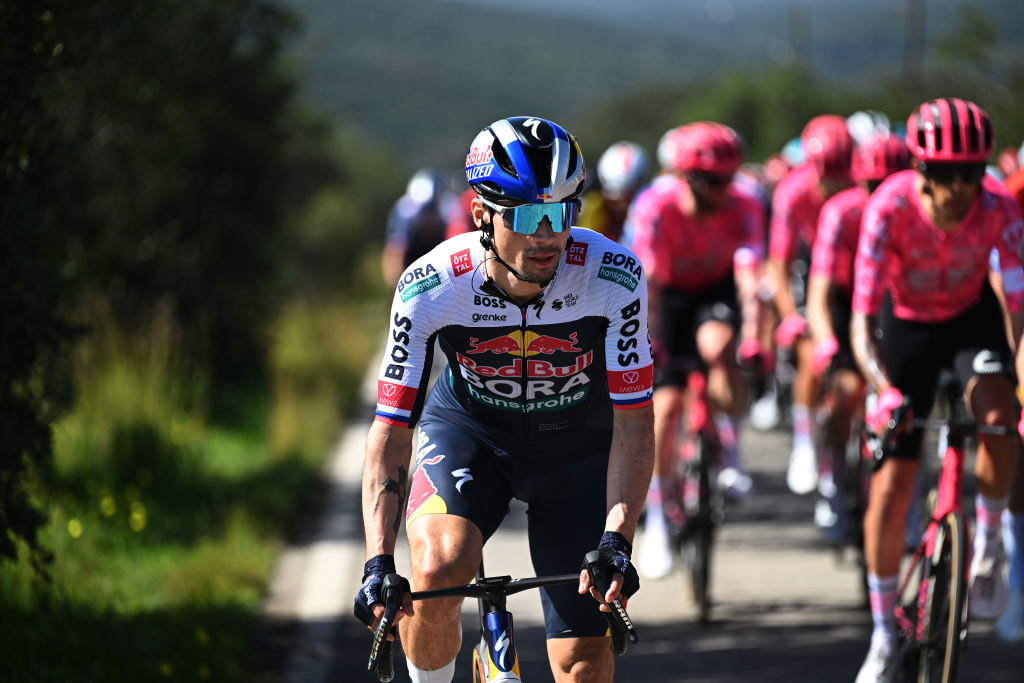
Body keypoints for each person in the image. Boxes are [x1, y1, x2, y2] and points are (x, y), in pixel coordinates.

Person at [353, 115, 655, 683]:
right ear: (482, 216)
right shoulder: (433, 285)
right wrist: (377, 561)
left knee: (583, 665)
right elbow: (392, 427)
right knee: (439, 568)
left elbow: (635, 425)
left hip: (576, 454)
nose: (547, 236)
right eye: (527, 215)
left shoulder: (613, 277)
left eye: (563, 213)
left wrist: (618, 538)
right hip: (472, 437)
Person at [850, 97, 1024, 682]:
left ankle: (992, 540)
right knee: (893, 482)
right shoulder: (889, 205)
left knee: (1000, 414)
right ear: (920, 171)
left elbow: (1020, 314)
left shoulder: (999, 208)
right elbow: (862, 314)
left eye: (971, 173)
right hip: (906, 333)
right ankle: (880, 631)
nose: (959, 187)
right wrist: (881, 388)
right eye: (945, 174)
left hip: (969, 321)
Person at [628, 121, 765, 579]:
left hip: (716, 292)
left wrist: (755, 336)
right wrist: (649, 344)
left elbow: (750, 276)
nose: (725, 190)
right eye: (713, 182)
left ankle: (730, 444)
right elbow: (647, 281)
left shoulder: (745, 204)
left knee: (720, 346)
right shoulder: (655, 205)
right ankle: (660, 520)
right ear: (687, 178)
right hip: (667, 299)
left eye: (730, 179)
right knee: (664, 412)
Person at [805, 130, 910, 542]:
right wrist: (826, 339)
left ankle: (907, 501)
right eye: (872, 185)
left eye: (892, 183)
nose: (881, 194)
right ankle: (833, 474)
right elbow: (819, 291)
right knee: (846, 392)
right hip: (850, 303)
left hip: (900, 304)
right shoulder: (840, 212)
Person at [768, 114, 856, 497]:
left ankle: (839, 461)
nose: (834, 183)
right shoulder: (792, 192)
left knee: (851, 383)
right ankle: (805, 439)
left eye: (842, 173)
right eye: (826, 174)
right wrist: (789, 317)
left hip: (850, 273)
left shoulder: (859, 184)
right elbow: (780, 263)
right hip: (810, 267)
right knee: (811, 354)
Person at [381, 168, 453, 289]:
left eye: (432, 211)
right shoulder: (404, 212)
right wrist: (398, 289)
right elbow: (394, 255)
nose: (429, 219)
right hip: (411, 256)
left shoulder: (450, 209)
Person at [578, 141, 651, 243]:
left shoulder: (650, 211)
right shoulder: (593, 206)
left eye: (626, 195)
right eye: (612, 198)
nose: (619, 204)